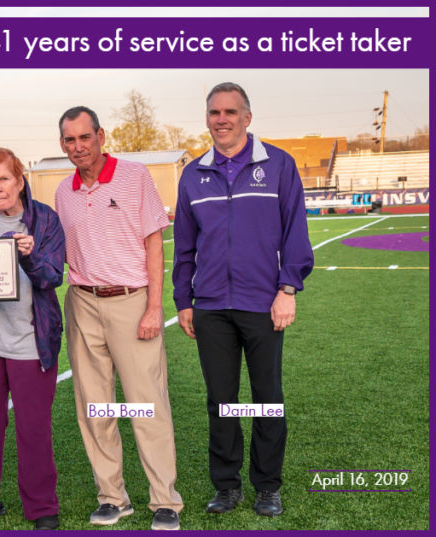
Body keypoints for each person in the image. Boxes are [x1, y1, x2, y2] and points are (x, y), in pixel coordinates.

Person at [172, 82, 313, 517]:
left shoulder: (279, 165)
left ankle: (268, 486)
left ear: (247, 118)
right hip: (212, 307)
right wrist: (183, 300)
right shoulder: (193, 174)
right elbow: (184, 247)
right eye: (214, 112)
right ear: (208, 118)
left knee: (267, 396)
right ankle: (227, 486)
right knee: (222, 399)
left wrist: (287, 289)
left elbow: (296, 233)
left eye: (231, 112)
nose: (222, 119)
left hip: (263, 304)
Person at [55, 106, 184, 531]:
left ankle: (165, 500)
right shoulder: (63, 192)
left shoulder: (134, 177)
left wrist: (153, 306)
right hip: (82, 303)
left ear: (101, 136)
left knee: (146, 405)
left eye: (84, 137)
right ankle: (112, 497)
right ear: (63, 145)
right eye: (69, 140)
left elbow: (153, 245)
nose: (78, 147)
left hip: (131, 302)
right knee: (95, 407)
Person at [0, 148, 65, 531]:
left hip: (32, 340)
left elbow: (52, 278)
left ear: (20, 181)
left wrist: (30, 256)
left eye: (5, 179)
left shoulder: (45, 220)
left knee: (33, 427)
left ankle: (41, 507)